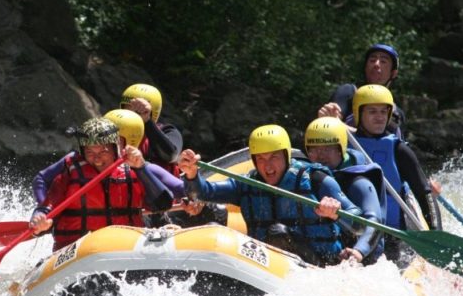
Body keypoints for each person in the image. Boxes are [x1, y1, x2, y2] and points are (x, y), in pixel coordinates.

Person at [178, 124, 363, 267]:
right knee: (212, 225)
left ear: (286, 156)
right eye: (261, 159)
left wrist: (336, 212)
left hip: (320, 265)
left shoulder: (316, 180)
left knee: (278, 233)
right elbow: (203, 192)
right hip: (265, 266)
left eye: (274, 157)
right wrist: (192, 174)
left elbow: (359, 224)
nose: (268, 166)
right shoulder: (246, 184)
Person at [29, 115, 179, 251]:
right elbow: (47, 207)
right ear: (82, 152)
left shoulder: (134, 169)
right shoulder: (69, 174)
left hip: (126, 247)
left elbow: (163, 204)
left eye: (103, 152)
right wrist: (40, 221)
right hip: (78, 250)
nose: (98, 160)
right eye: (90, 153)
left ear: (115, 148)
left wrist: (141, 169)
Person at [350, 84, 439, 265]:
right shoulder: (345, 144)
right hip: (351, 231)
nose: (380, 117)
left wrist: (436, 233)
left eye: (384, 112)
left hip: (392, 235)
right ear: (359, 114)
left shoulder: (398, 149)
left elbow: (424, 192)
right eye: (372, 112)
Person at [304, 117, 386, 265]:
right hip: (325, 248)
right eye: (314, 149)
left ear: (340, 149)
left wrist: (359, 252)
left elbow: (374, 222)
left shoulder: (359, 182)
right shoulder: (305, 175)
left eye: (328, 148)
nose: (320, 155)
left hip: (361, 257)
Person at [318, 43, 407, 137]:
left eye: (383, 61)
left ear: (393, 73)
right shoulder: (348, 92)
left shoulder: (397, 113)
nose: (376, 64)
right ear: (365, 68)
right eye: (372, 60)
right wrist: (327, 117)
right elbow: (330, 126)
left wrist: (340, 126)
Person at [120, 83, 183, 175]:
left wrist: (147, 121)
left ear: (152, 112)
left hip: (159, 186)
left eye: (139, 111)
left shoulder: (168, 130)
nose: (132, 114)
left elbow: (171, 156)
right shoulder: (114, 132)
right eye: (128, 109)